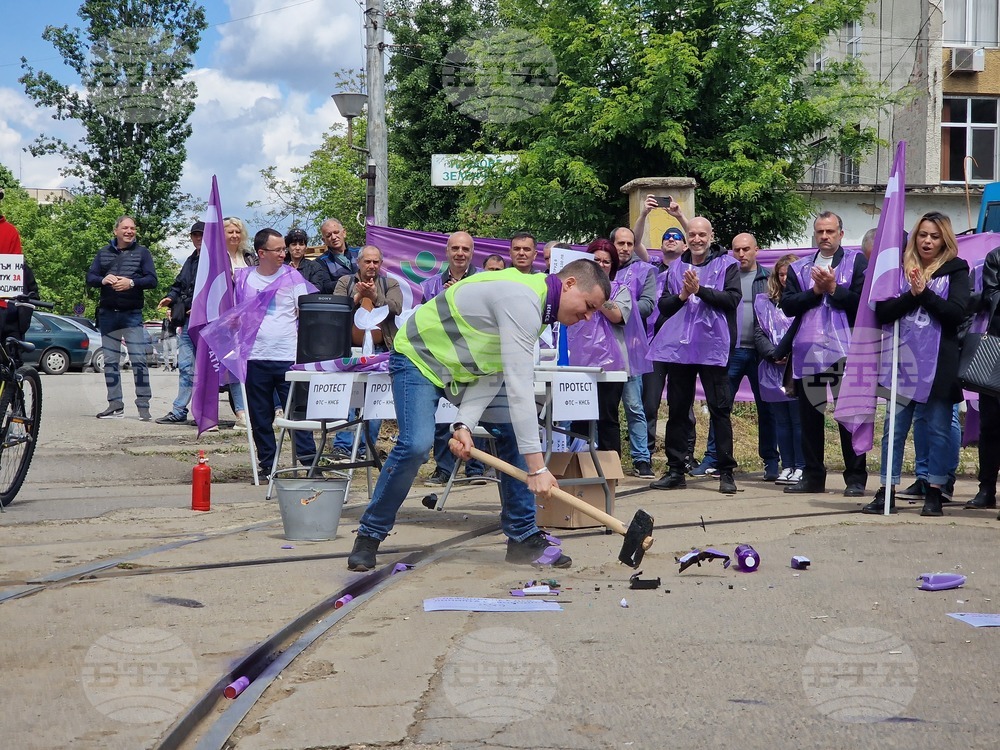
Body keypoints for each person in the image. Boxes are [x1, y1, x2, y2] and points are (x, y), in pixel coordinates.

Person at [347, 259, 612, 572]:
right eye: (589, 305)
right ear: (568, 285)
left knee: (512, 432)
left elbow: (493, 371)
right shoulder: (522, 300)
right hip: (419, 360)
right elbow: (519, 391)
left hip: (461, 372)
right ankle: (369, 534)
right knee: (416, 444)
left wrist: (463, 424)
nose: (588, 316)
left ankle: (522, 538)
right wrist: (537, 468)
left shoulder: (540, 310)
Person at [860, 212, 970, 516]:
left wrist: (926, 295)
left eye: (934, 236)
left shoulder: (956, 270)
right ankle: (887, 490)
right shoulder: (897, 270)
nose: (927, 241)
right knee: (893, 430)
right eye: (923, 235)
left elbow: (956, 313)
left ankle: (934, 490)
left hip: (939, 363)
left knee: (937, 429)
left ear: (944, 240)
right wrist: (913, 294)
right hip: (900, 362)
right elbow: (882, 312)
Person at [648, 217, 741, 495]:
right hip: (680, 350)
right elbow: (663, 307)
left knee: (719, 410)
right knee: (677, 410)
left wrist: (700, 291)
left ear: (711, 236)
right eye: (693, 234)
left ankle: (726, 471)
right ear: (687, 238)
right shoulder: (675, 267)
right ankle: (676, 469)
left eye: (702, 234)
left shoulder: (727, 264)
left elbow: (732, 299)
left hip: (713, 347)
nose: (697, 239)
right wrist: (683, 294)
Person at [780, 211, 868, 496]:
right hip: (808, 351)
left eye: (830, 231)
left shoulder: (856, 262)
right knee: (810, 418)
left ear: (841, 234)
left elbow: (862, 304)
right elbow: (788, 305)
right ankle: (813, 476)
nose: (825, 237)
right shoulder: (800, 268)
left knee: (850, 416)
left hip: (847, 350)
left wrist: (833, 289)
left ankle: (855, 477)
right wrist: (816, 291)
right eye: (820, 232)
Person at [694, 233, 779, 480]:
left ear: (757, 250)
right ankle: (714, 459)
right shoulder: (724, 275)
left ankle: (771, 461)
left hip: (762, 354)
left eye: (746, 249)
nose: (741, 254)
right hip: (730, 351)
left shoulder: (768, 278)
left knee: (768, 409)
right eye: (736, 250)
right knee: (720, 407)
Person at [236, 228, 317, 476]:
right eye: (278, 249)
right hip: (254, 357)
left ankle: (308, 463)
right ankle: (267, 466)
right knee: (260, 417)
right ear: (262, 253)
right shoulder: (244, 279)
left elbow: (306, 316)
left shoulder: (293, 279)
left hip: (287, 357)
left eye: (284, 248)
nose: (284, 253)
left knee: (298, 414)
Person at [567, 239, 644, 457]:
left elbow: (618, 315)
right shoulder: (573, 291)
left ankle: (610, 472)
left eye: (606, 262)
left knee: (607, 417)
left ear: (613, 265)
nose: (601, 265)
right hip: (578, 364)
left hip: (612, 365)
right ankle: (578, 468)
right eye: (596, 260)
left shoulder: (621, 289)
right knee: (579, 417)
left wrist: (596, 296)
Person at [421, 232, 486, 484]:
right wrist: (443, 299)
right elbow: (424, 321)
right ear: (447, 251)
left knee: (476, 412)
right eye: (455, 248)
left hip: (475, 358)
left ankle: (476, 469)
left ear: (472, 252)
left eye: (465, 249)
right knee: (443, 417)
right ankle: (444, 469)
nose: (460, 253)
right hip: (443, 358)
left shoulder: (483, 280)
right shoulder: (431, 285)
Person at [330, 245, 403, 459]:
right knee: (348, 398)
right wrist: (357, 296)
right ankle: (343, 445)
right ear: (358, 263)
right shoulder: (346, 282)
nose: (371, 266)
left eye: (376, 262)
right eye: (367, 262)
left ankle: (366, 446)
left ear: (380, 264)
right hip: (350, 349)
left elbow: (397, 307)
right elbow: (337, 308)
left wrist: (375, 296)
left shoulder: (390, 283)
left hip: (381, 349)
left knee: (375, 400)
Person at [86, 216, 158, 420]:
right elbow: (90, 278)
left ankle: (143, 405)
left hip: (132, 314)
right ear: (115, 231)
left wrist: (131, 283)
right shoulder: (103, 253)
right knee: (110, 361)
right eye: (125, 228)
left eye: (133, 228)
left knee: (139, 360)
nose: (129, 231)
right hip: (108, 314)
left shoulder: (143, 253)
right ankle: (115, 405)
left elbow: (152, 280)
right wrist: (102, 279)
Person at [610, 225, 656, 477]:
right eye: (621, 243)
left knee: (634, 407)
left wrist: (617, 309)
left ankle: (641, 459)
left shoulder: (645, 270)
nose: (625, 248)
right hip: (601, 349)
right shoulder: (600, 266)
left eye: (629, 244)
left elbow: (649, 305)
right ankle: (609, 458)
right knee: (604, 409)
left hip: (630, 349)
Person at [753, 253, 804, 484]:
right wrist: (773, 354)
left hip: (796, 367)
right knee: (781, 421)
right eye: (781, 274)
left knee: (798, 420)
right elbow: (759, 332)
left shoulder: (803, 300)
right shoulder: (764, 301)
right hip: (772, 367)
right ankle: (788, 465)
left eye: (788, 274)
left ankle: (802, 465)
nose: (784, 279)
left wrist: (790, 353)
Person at [155, 221, 202, 424]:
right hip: (189, 321)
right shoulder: (190, 260)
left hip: (208, 322)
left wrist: (200, 306)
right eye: (195, 235)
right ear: (191, 238)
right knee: (185, 366)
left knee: (214, 371)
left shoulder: (216, 260)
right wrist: (170, 298)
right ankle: (179, 410)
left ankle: (209, 413)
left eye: (202, 234)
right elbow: (177, 285)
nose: (199, 238)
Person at [964, 248, 1000, 513]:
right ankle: (986, 488)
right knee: (991, 424)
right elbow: (993, 295)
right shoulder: (995, 257)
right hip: (996, 348)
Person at [222, 216, 254, 430]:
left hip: (250, 318)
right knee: (234, 366)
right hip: (227, 319)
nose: (234, 235)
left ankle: (260, 410)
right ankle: (241, 413)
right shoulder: (217, 257)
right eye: (229, 232)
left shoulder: (249, 257)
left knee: (253, 365)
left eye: (237, 231)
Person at [284, 228, 333, 293]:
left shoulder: (314, 267)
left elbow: (316, 290)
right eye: (294, 244)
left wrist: (297, 277)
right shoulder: (281, 267)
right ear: (288, 247)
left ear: (306, 247)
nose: (297, 248)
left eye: (301, 244)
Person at [316, 218, 356, 287]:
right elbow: (326, 287)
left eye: (336, 232)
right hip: (341, 297)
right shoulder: (321, 262)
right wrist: (353, 282)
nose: (334, 237)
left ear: (344, 233)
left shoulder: (360, 252)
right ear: (324, 240)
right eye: (329, 235)